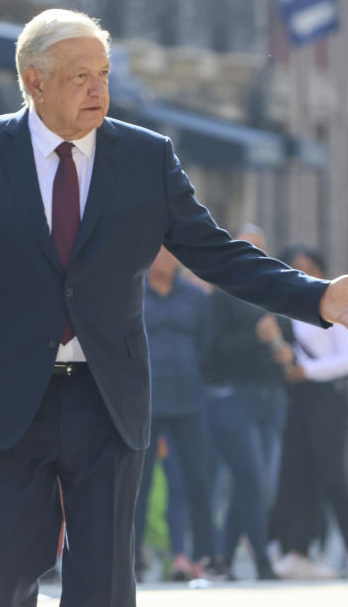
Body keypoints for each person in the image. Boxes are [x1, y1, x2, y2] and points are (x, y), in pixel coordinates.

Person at [0, 9, 348, 607]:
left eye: (104, 73)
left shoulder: (146, 157)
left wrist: (314, 296)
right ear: (34, 81)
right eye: (80, 75)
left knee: (104, 580)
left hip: (107, 396)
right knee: (5, 569)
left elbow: (216, 254)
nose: (99, 89)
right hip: (6, 393)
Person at [268, 245, 348, 580]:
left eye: (308, 267)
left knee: (334, 475)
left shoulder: (332, 305)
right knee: (298, 476)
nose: (302, 273)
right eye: (294, 268)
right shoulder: (281, 308)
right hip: (298, 401)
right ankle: (297, 550)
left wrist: (307, 371)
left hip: (330, 401)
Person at [202, 224, 288, 580]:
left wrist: (281, 349)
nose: (255, 254)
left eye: (260, 248)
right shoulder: (220, 296)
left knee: (256, 482)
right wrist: (256, 337)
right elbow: (209, 354)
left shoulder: (276, 293)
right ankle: (262, 562)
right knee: (251, 479)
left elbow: (288, 341)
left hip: (270, 397)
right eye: (246, 247)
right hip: (232, 397)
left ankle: (222, 558)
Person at [132, 247, 217, 581]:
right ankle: (132, 558)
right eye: (157, 252)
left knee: (197, 480)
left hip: (189, 399)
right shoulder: (131, 293)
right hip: (144, 402)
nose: (164, 259)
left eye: (170, 253)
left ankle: (205, 557)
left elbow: (206, 343)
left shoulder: (196, 297)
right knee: (138, 484)